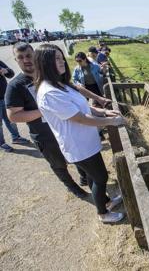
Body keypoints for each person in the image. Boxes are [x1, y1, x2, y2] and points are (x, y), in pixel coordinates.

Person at [34, 43, 126, 223]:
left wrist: (103, 112)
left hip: (86, 141)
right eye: (55, 60)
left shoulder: (61, 84)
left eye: (61, 58)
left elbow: (84, 107)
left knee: (94, 176)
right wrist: (110, 121)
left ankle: (106, 202)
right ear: (44, 64)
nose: (61, 63)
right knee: (101, 178)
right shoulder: (49, 92)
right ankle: (103, 214)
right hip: (78, 144)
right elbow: (80, 118)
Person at [5, 42, 111, 197]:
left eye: (28, 55)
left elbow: (75, 87)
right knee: (59, 164)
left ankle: (86, 181)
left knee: (80, 161)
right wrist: (46, 110)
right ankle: (73, 188)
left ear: (35, 55)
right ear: (16, 60)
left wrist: (98, 99)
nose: (26, 60)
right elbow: (13, 116)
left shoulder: (49, 74)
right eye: (20, 57)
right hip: (45, 134)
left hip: (66, 127)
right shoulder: (15, 86)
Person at [0, 60, 29, 152]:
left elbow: (11, 73)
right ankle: (1, 143)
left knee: (10, 119)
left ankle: (16, 137)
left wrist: (6, 71)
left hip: (4, 96)